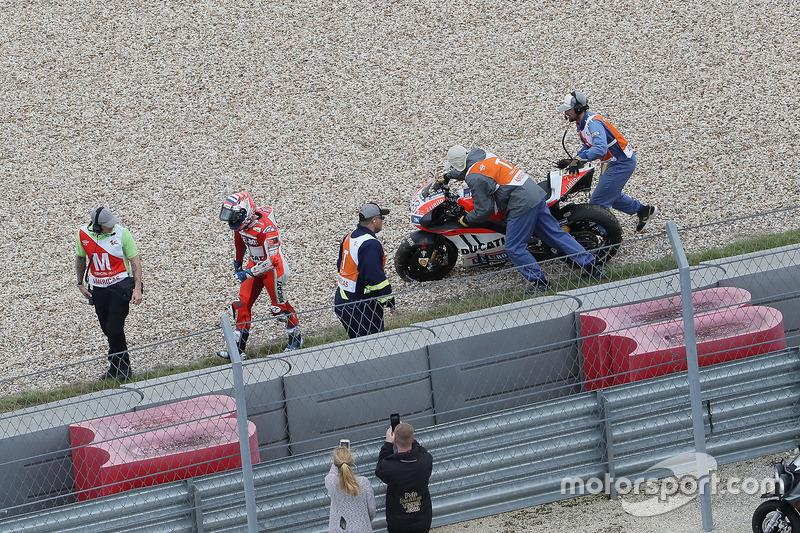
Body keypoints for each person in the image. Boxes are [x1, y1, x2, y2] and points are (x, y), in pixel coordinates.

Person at [443, 145, 604, 293]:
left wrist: (467, 219)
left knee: (514, 247)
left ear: (458, 163)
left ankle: (540, 283)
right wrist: (448, 176)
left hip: (521, 204)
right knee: (555, 234)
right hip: (533, 192)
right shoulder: (483, 155)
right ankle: (593, 266)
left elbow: (484, 210)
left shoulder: (474, 177)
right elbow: (473, 171)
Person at [557, 91, 658, 232]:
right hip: (612, 162)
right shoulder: (582, 123)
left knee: (598, 201)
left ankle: (608, 239)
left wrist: (580, 159)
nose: (565, 113)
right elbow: (588, 145)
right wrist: (574, 159)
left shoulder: (593, 123)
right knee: (611, 194)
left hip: (621, 162)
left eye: (568, 109)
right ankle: (644, 211)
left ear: (578, 108)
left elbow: (600, 148)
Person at [217, 191, 301, 358]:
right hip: (253, 264)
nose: (232, 221)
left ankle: (295, 338)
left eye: (234, 217)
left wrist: (248, 273)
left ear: (245, 212)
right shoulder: (240, 226)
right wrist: (237, 264)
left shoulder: (267, 227)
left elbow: (273, 261)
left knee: (279, 308)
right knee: (242, 304)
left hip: (272, 270)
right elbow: (239, 242)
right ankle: (238, 351)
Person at [75, 206, 143, 381]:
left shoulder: (122, 233)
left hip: (119, 286)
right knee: (107, 329)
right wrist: (80, 283)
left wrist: (137, 289)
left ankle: (124, 367)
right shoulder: (83, 234)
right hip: (98, 289)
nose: (112, 226)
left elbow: (134, 260)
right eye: (107, 225)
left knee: (114, 327)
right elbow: (81, 258)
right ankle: (115, 366)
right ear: (97, 227)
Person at [334, 203, 395, 338]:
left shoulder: (349, 237)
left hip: (342, 300)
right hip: (361, 306)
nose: (382, 222)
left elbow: (340, 265)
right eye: (381, 218)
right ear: (374, 220)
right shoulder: (370, 244)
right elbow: (374, 277)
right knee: (374, 344)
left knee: (358, 344)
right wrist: (388, 298)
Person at [375, 422, 433, 533]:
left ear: (395, 440)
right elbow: (421, 450)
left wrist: (388, 444)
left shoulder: (390, 467)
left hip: (398, 523)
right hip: (423, 520)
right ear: (413, 438)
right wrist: (408, 436)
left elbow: (380, 468)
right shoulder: (426, 461)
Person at [325, 445, 376, 532]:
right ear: (352, 460)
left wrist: (336, 461)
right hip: (361, 529)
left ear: (334, 462)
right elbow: (372, 510)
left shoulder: (332, 483)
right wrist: (363, 520)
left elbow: (331, 474)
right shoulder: (363, 482)